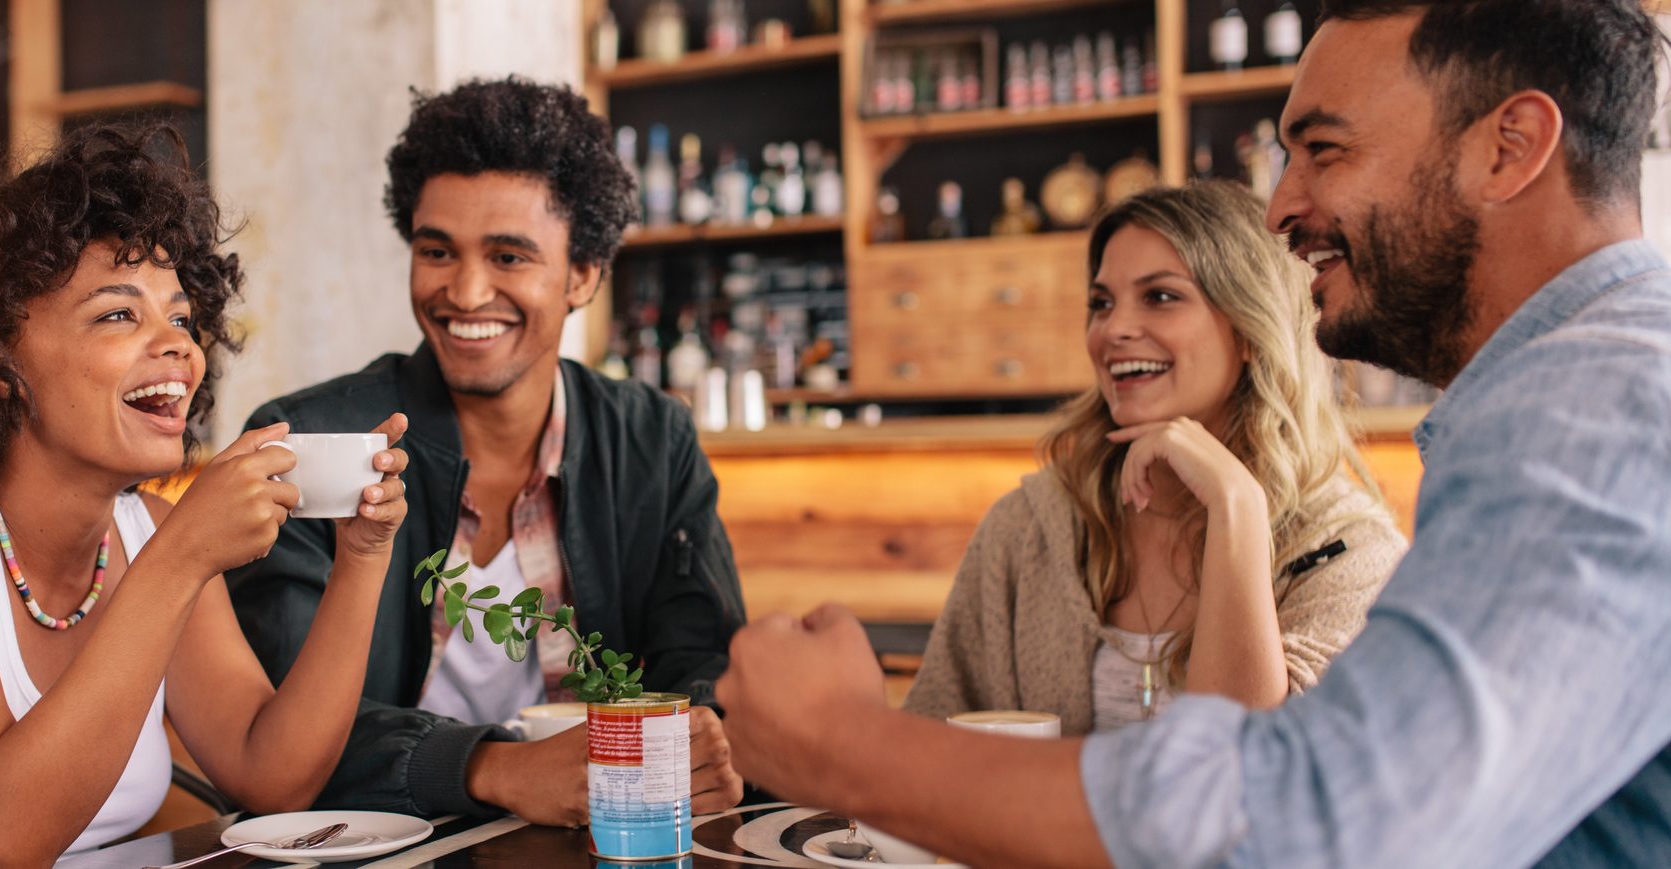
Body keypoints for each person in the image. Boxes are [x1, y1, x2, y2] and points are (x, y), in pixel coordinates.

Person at [715, 0, 1671, 865]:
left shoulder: (1592, 409)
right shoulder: (1575, 392)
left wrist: (843, 744)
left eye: (1324, 150)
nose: (1282, 207)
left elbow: (1302, 826)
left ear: (1510, 147)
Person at [0, 125, 411, 867]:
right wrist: (180, 560)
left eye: (180, 315)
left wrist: (363, 558)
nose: (179, 344)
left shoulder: (147, 527)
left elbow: (271, 775)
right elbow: (3, 832)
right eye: (118, 313)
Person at [226, 77, 746, 826]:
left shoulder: (652, 441)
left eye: (508, 256)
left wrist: (696, 752)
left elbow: (702, 669)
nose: (465, 292)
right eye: (437, 250)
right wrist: (492, 767)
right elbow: (276, 729)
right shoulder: (310, 443)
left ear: (583, 274)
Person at [904, 181, 1405, 735]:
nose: (1112, 330)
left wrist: (1234, 504)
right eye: (1101, 303)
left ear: (1249, 328)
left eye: (1160, 296)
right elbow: (925, 748)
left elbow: (1247, 770)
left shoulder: (1351, 555)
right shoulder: (1029, 529)